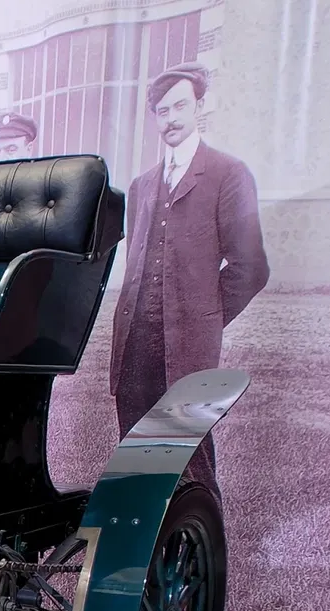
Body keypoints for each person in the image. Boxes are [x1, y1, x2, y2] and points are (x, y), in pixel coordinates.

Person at [109, 63, 269, 488]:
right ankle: (147, 551)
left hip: (187, 348)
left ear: (199, 106)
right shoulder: (142, 186)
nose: (171, 119)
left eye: (180, 106)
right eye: (161, 111)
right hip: (134, 348)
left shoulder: (227, 174)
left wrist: (204, 318)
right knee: (136, 460)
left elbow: (250, 268)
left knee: (189, 458)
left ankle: (203, 549)